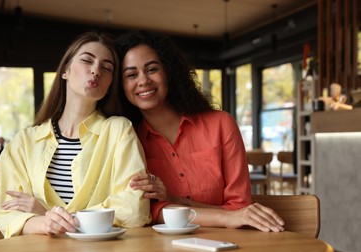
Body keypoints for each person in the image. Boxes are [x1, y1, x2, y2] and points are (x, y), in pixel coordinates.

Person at [115, 30, 284, 232]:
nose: (143, 80)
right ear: (121, 86)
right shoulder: (128, 140)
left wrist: (174, 201)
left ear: (168, 71)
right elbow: (148, 213)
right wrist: (223, 216)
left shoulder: (221, 125)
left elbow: (238, 208)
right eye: (131, 75)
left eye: (152, 69)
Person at [0, 31, 151, 238]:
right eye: (87, 61)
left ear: (110, 82)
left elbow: (134, 209)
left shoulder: (119, 131)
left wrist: (47, 214)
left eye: (106, 67)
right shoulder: (23, 143)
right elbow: (5, 211)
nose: (96, 71)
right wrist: (45, 223)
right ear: (65, 70)